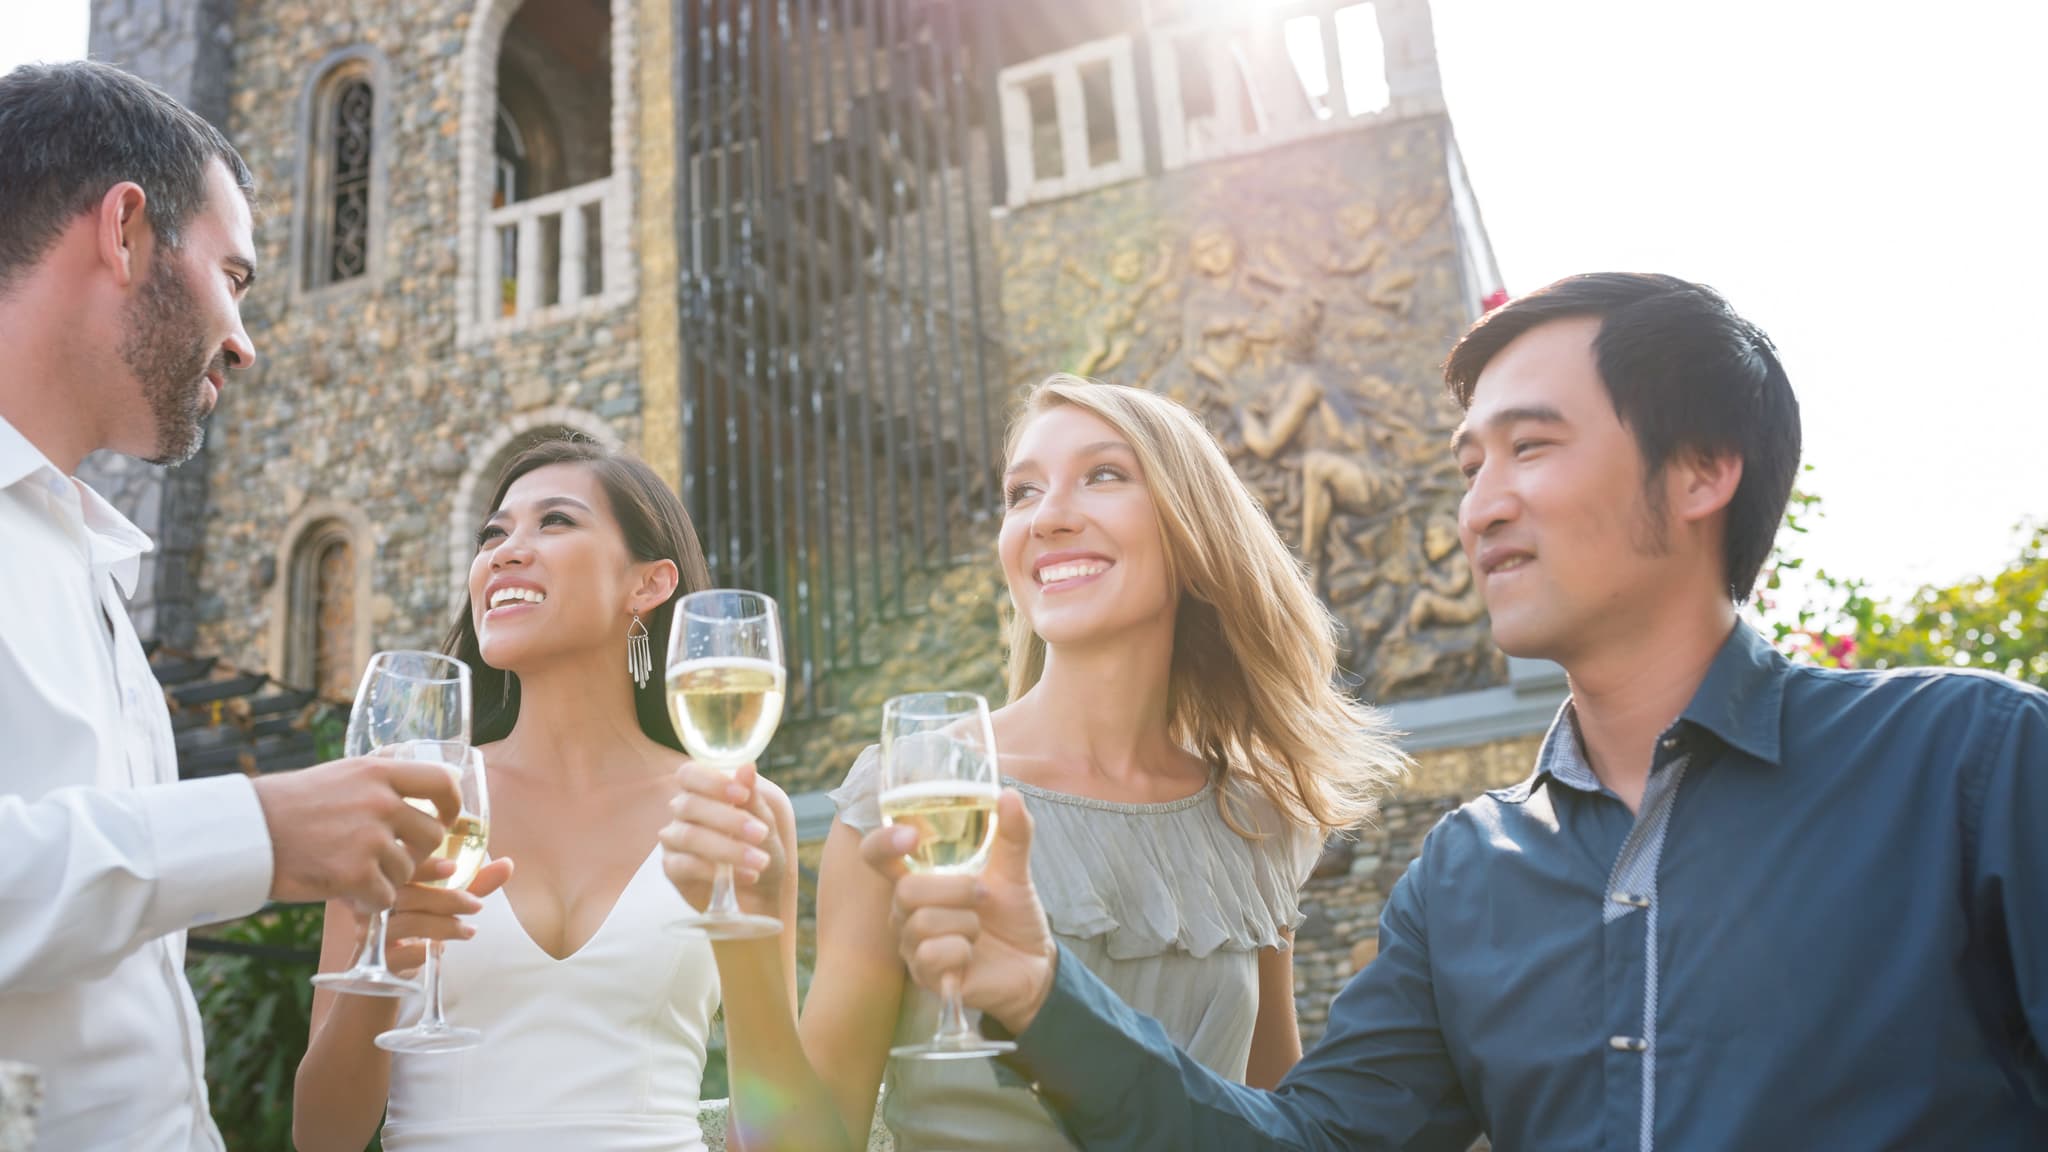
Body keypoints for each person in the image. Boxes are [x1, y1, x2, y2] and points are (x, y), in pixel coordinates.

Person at [874, 274, 2048, 1149]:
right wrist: (1039, 993)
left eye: (1528, 449)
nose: (1478, 508)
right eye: (1466, 464)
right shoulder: (1465, 875)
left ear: (1700, 470)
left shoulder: (1971, 766)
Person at [660, 374, 1408, 1150]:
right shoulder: (908, 789)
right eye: (1022, 492)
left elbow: (1271, 1128)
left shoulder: (1256, 820)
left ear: (1194, 532)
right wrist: (746, 937)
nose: (1048, 517)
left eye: (1104, 475)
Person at [0, 61, 461, 1151]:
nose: (244, 342)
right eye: (235, 277)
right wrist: (263, 830)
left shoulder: (78, 553)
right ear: (124, 231)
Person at [293, 437, 800, 1152]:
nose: (505, 551)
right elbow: (323, 1137)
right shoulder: (405, 802)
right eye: (492, 535)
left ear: (648, 584)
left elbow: (775, 1124)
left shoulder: (741, 812)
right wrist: (387, 960)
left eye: (554, 522)